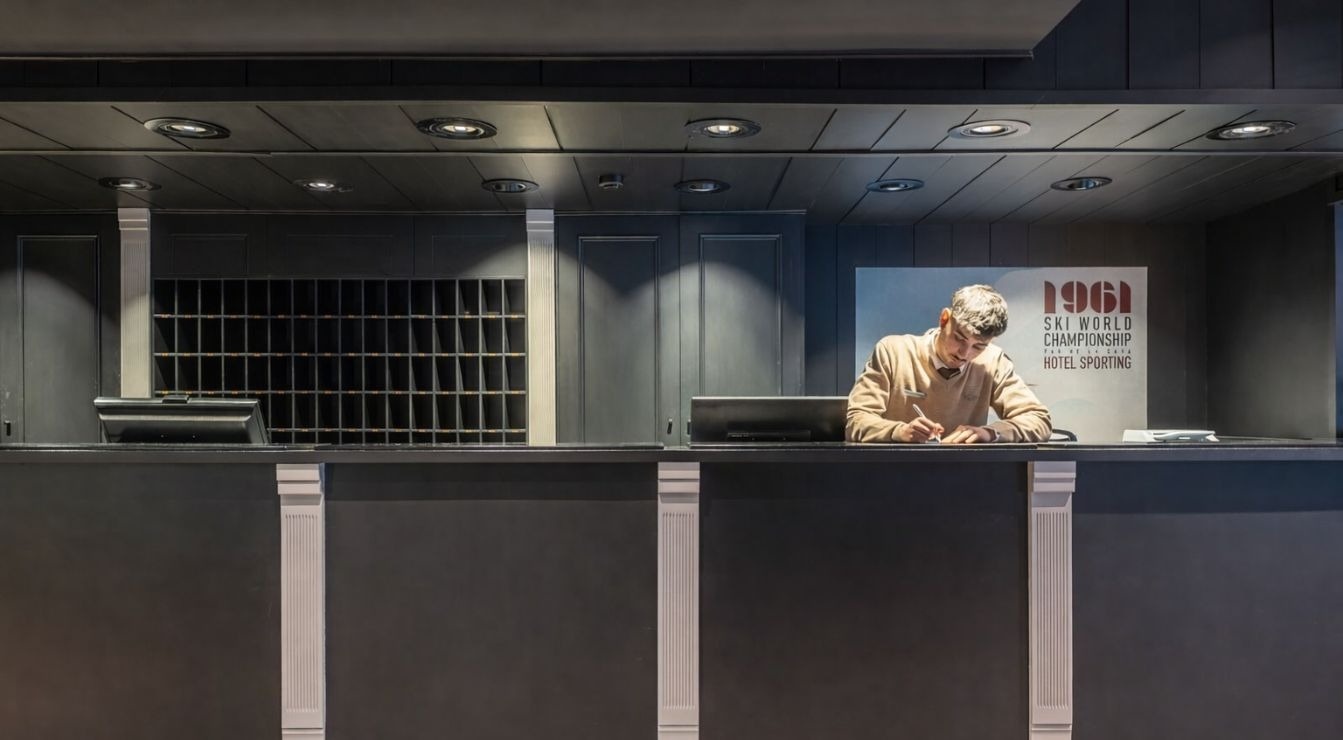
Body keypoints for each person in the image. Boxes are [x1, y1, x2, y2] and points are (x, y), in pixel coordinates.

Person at [846, 284, 1051, 444]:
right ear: (944, 319)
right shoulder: (893, 351)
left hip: (963, 478)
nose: (965, 353)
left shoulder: (993, 362)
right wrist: (898, 432)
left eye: (978, 347)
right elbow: (856, 421)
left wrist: (990, 433)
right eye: (959, 338)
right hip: (893, 474)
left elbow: (1038, 420)